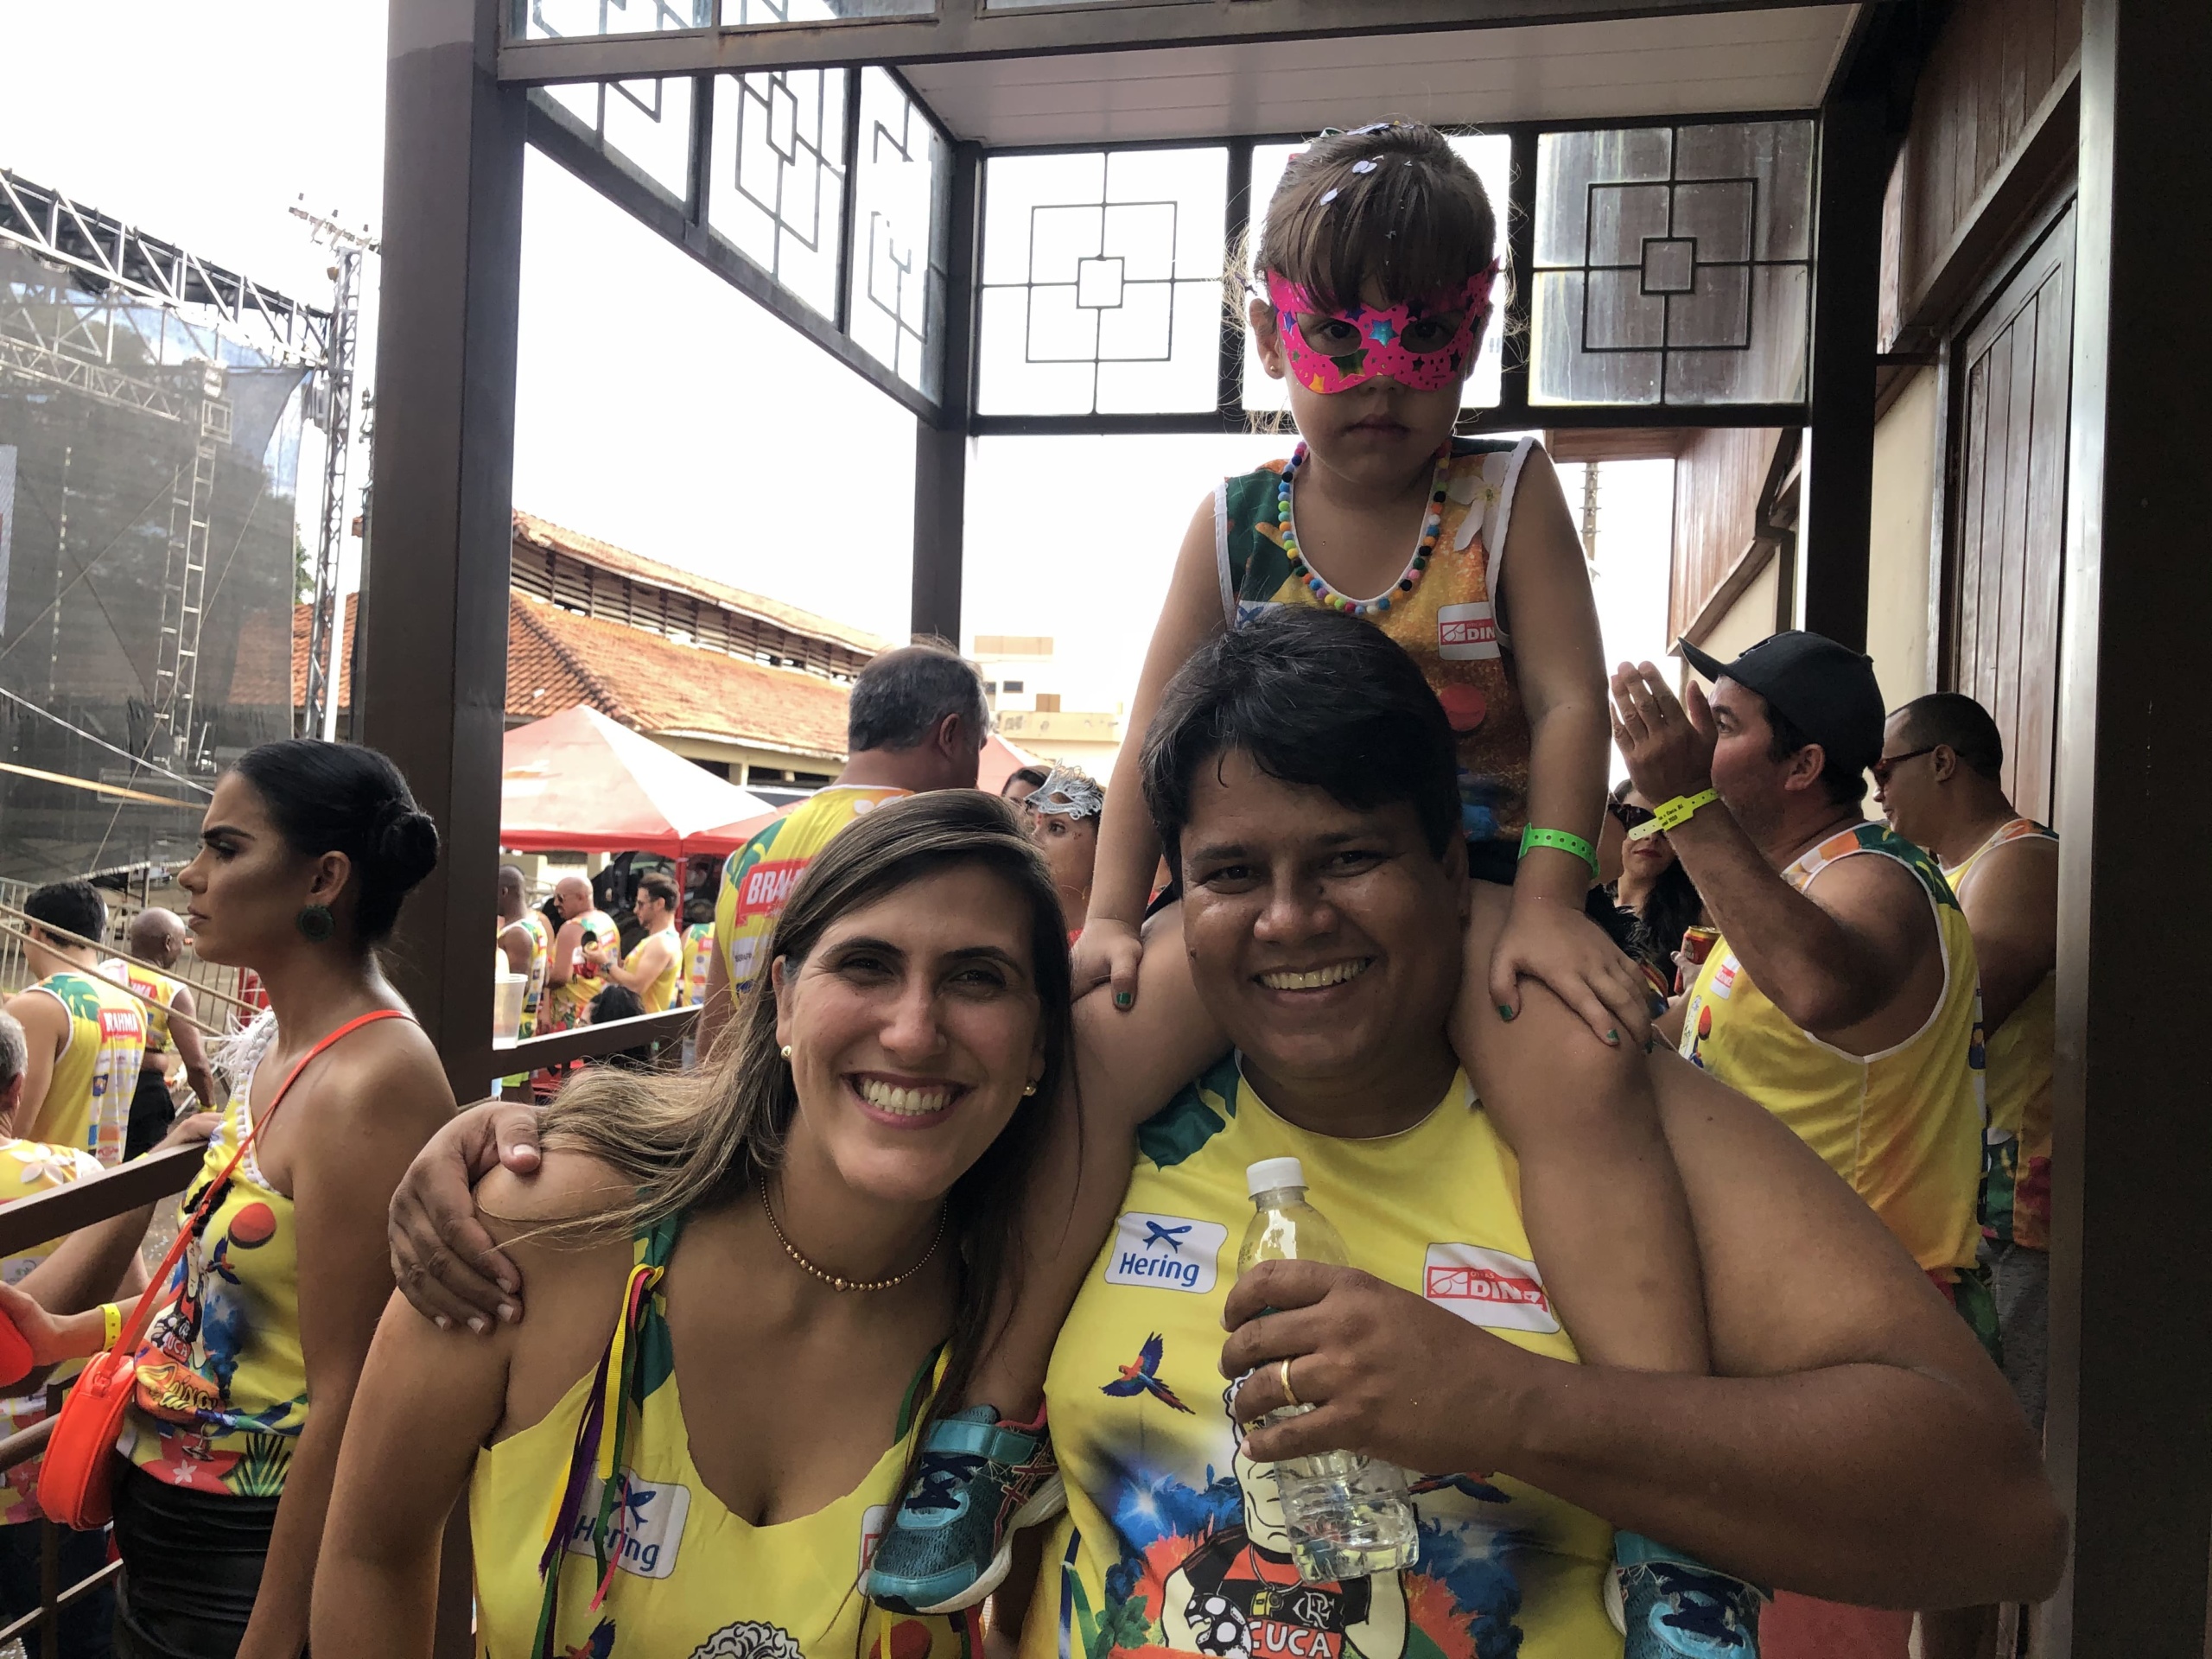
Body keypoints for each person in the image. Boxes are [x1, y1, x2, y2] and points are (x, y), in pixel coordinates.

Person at [387, 611, 2065, 1651]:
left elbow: (1996, 1512)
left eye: (1352, 859)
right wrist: (510, 1140)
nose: (1289, 921)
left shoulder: (1595, 1103)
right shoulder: (1063, 1119)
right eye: (1232, 873)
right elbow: (847, 1110)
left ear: (1451, 869)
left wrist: (1521, 1410)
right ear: (1173, 886)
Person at [874, 120, 1720, 1626]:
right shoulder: (1233, 520)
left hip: (1466, 887)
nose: (1384, 375)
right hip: (1256, 900)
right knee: (1096, 1053)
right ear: (1271, 337)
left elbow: (1568, 704)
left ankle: (1679, 1512)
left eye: (1426, 335)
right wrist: (1113, 921)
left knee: (1582, 1079)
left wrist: (1544, 901)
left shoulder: (1508, 495)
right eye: (1341, 338)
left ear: (1479, 331)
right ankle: (993, 1419)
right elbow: (1151, 736)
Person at [314, 791, 1071, 1656]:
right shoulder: (543, 1226)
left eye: (978, 978)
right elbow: (372, 1554)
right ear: (784, 1000)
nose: (912, 1032)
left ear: (1040, 1040)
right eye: (866, 965)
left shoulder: (1036, 1322)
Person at [0, 739, 455, 1658]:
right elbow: (236, 1311)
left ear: (324, 877)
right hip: (168, 1531)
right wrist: (69, 1335)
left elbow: (347, 1393)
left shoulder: (372, 1080)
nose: (190, 873)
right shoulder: (283, 1052)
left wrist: (274, 1633)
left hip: (245, 1558)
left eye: (226, 847)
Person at [1611, 634, 1989, 1657]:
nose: (1695, 737)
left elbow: (1823, 988)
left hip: (1853, 1351)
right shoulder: (1786, 889)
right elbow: (1675, 1042)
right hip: (1778, 1341)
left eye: (1724, 724)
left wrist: (1681, 803)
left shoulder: (1879, 877)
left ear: (1804, 765)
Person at [1877, 693, 2056, 1429]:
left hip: (2013, 1202)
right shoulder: (1954, 871)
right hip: (1968, 1198)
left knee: (2000, 1427)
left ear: (1943, 762)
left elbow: (1961, 1018)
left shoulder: (2021, 860)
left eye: (1884, 770)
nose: (1877, 791)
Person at [698, 642, 990, 1056]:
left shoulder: (748, 857)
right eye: (977, 747)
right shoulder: (938, 843)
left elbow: (715, 1043)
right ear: (950, 735)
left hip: (757, 1095)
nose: (976, 777)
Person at [3, 880, 147, 1167]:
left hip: (41, 1184)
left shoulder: (39, 1006)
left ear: (36, 932)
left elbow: (11, 1127)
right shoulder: (131, 1003)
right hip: (100, 1181)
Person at [103, 908, 221, 1161]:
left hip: (99, 1082)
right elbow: (197, 1064)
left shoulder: (104, 971)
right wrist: (208, 1106)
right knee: (142, 1170)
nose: (180, 949)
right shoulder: (171, 989)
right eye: (180, 942)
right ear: (168, 943)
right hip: (142, 1094)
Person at [1608, 781, 1706, 994]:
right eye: (1639, 820)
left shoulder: (1701, 917)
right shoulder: (1581, 902)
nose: (1651, 836)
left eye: (1667, 825)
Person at [1024, 766, 1103, 938]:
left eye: (1056, 828)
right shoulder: (1017, 929)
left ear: (1101, 845)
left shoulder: (1139, 929)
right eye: (1035, 826)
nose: (1033, 838)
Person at [537, 874, 619, 1037]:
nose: (555, 904)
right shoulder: (607, 921)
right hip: (602, 1011)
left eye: (561, 898)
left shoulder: (571, 928)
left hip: (574, 1017)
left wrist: (536, 974)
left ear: (581, 897)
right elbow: (618, 963)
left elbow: (560, 977)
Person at [597, 869, 683, 1013]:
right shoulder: (659, 940)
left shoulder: (661, 943)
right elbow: (630, 981)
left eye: (641, 904)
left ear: (659, 904)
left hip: (645, 1022)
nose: (636, 910)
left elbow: (637, 986)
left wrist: (605, 963)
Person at [494, 866, 550, 1041]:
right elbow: (545, 978)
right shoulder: (536, 928)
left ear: (504, 892)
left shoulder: (516, 934)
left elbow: (518, 989)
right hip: (527, 1025)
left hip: (511, 1030)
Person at [676, 898, 715, 1008]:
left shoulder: (689, 933)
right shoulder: (720, 932)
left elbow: (676, 973)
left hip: (691, 1007)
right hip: (717, 1005)